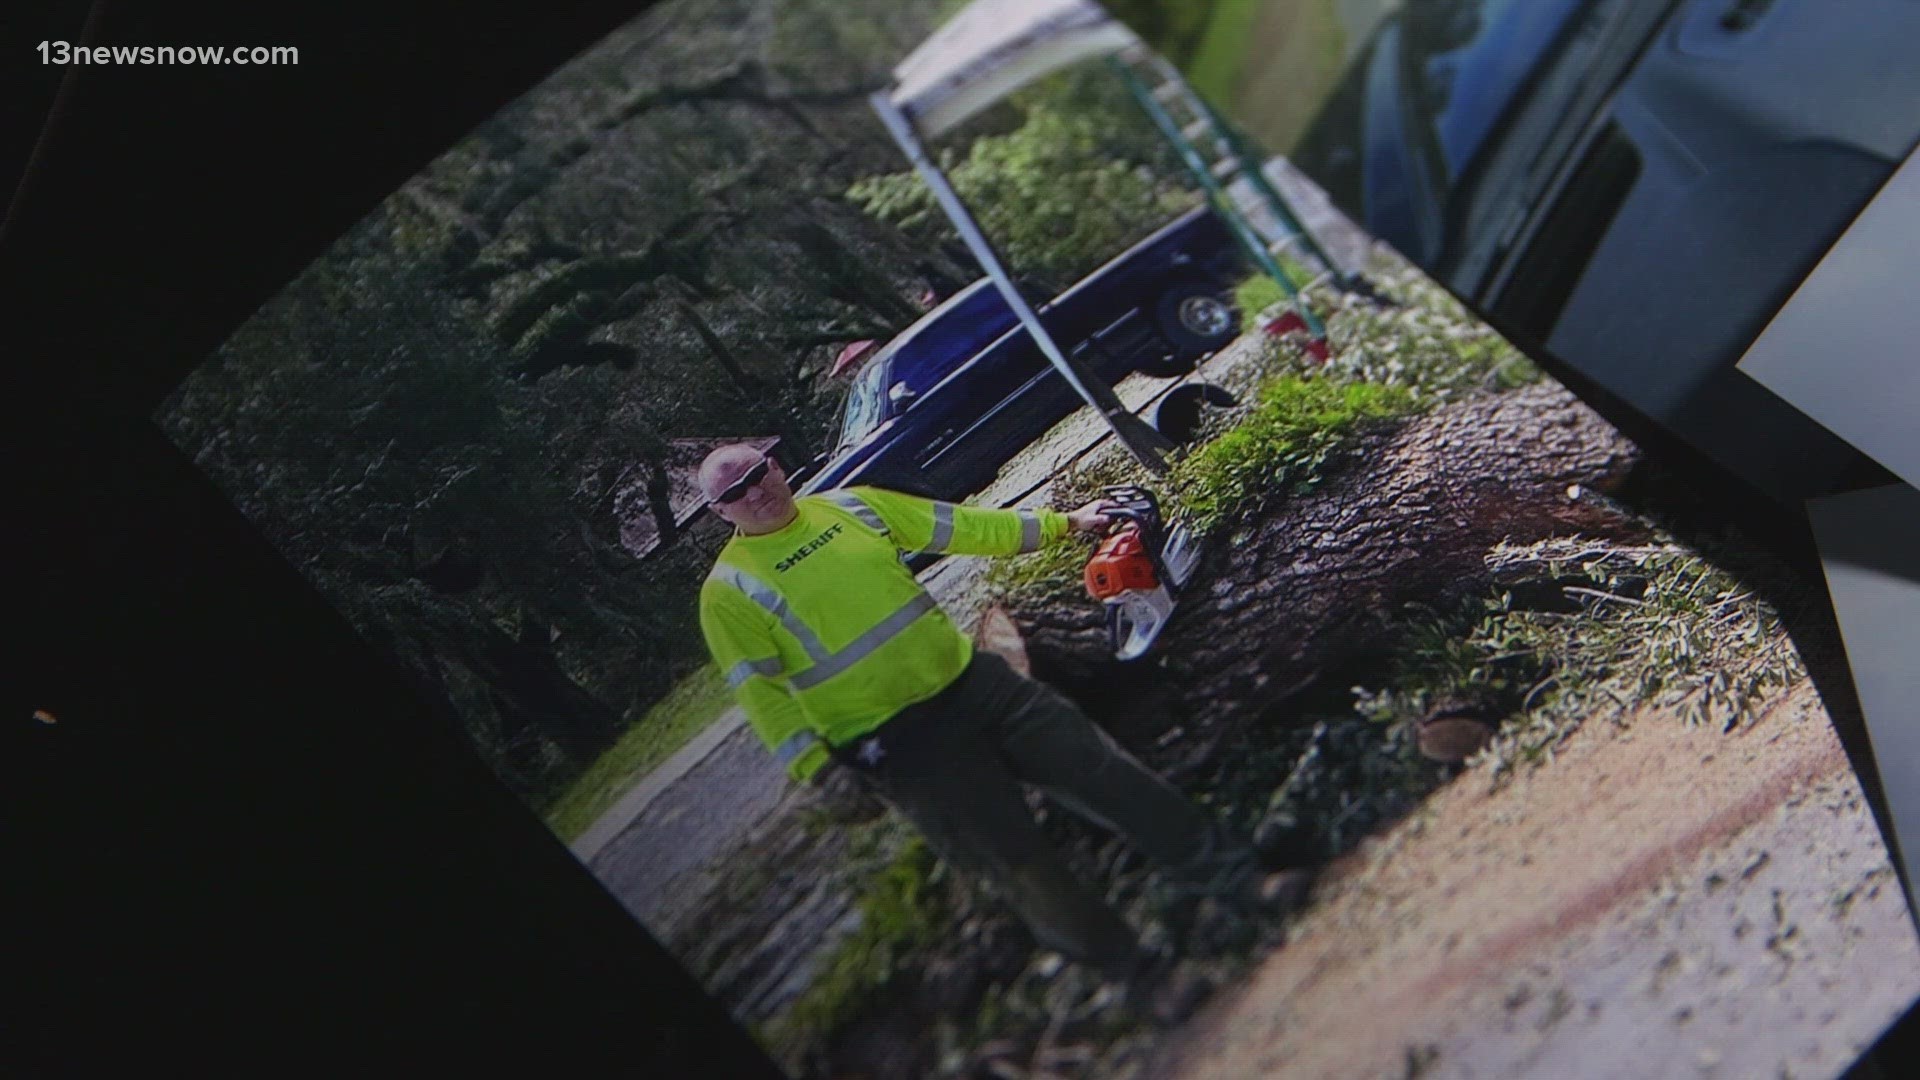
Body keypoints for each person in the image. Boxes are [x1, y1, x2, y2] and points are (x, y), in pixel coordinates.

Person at [694, 443, 1299, 986]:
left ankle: (1242, 881)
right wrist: (817, 771)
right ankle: (1144, 979)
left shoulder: (852, 507)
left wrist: (1067, 524)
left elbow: (964, 527)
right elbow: (761, 693)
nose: (755, 491)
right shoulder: (730, 592)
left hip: (975, 683)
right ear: (721, 513)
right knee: (1021, 864)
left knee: (1106, 773)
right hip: (901, 746)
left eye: (757, 472)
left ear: (775, 465)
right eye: (735, 492)